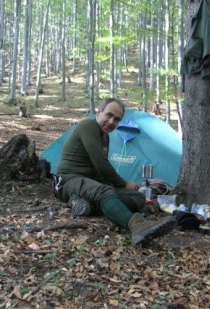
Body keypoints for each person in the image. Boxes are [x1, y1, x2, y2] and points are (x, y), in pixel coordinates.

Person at [55, 97, 176, 245]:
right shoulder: (88, 126)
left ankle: (88, 204)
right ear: (99, 112)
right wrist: (123, 183)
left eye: (117, 119)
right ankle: (137, 225)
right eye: (109, 115)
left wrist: (118, 186)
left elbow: (100, 171)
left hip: (91, 184)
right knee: (104, 192)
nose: (112, 122)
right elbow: (101, 164)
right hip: (68, 180)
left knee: (138, 197)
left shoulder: (105, 137)